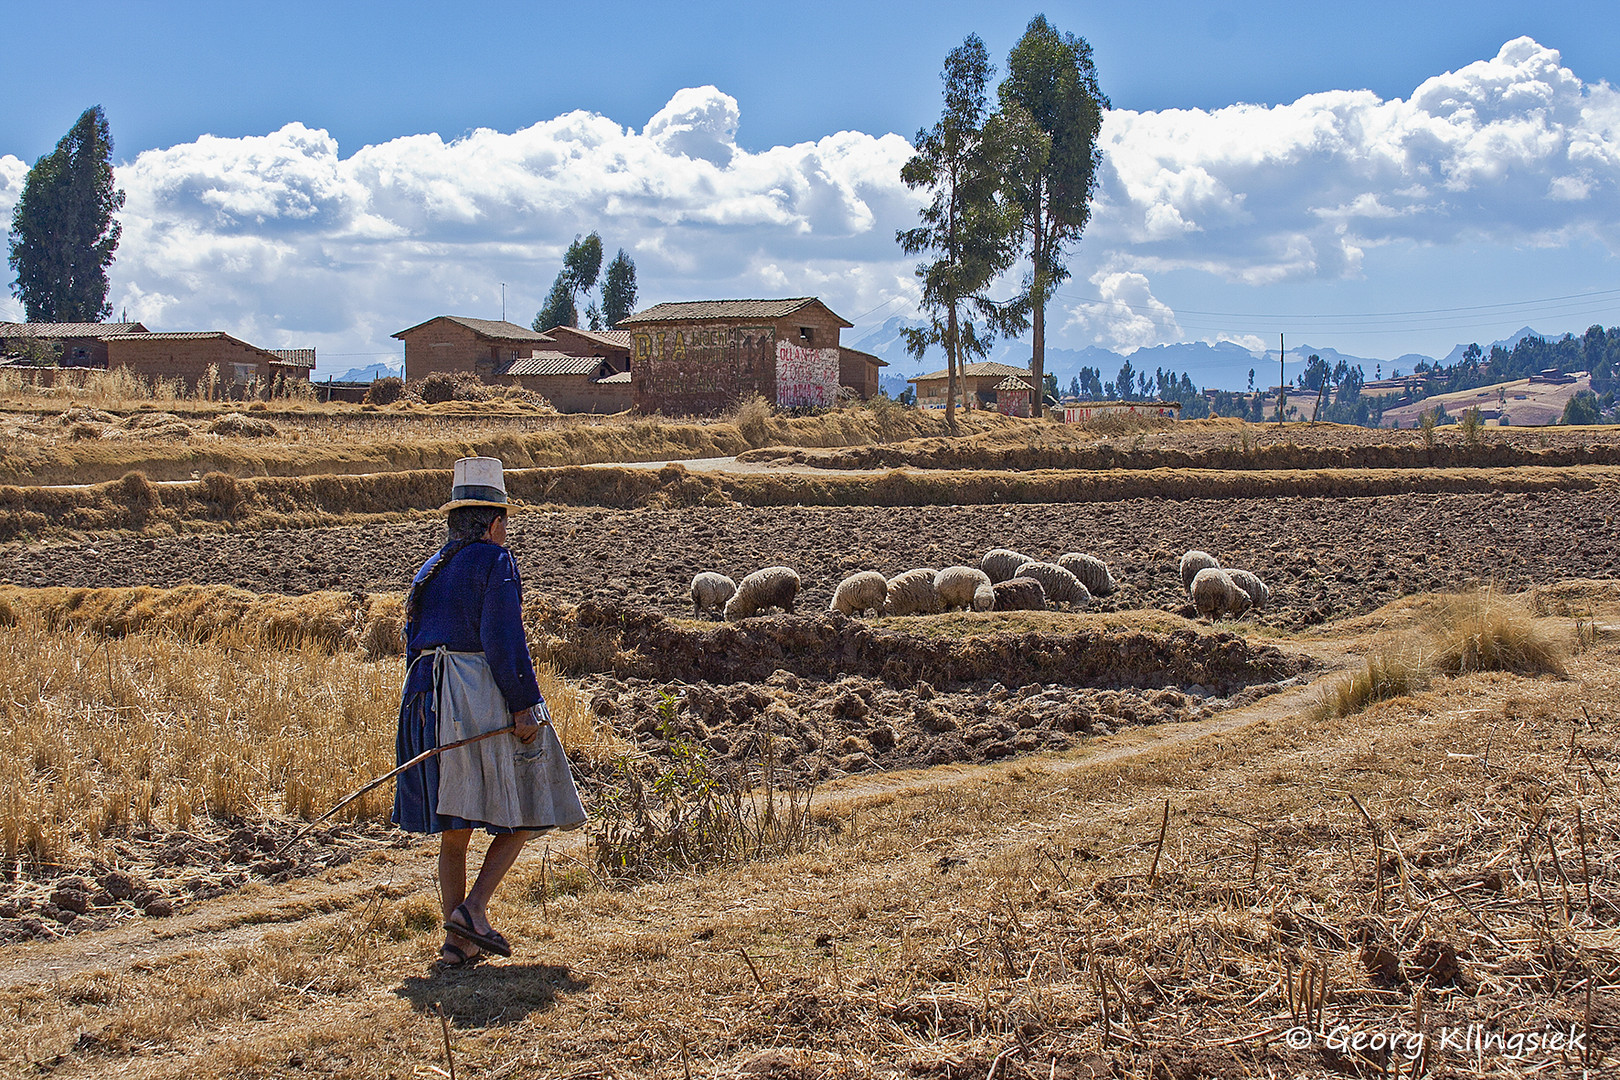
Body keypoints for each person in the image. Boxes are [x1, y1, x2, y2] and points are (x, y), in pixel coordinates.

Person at [394, 456, 584, 968]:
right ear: (495, 522)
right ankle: (473, 909)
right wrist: (525, 704)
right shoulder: (494, 562)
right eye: (506, 523)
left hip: (425, 700)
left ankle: (457, 944)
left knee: (455, 829)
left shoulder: (429, 570)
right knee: (530, 799)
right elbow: (505, 640)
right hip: (471, 696)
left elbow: (413, 642)